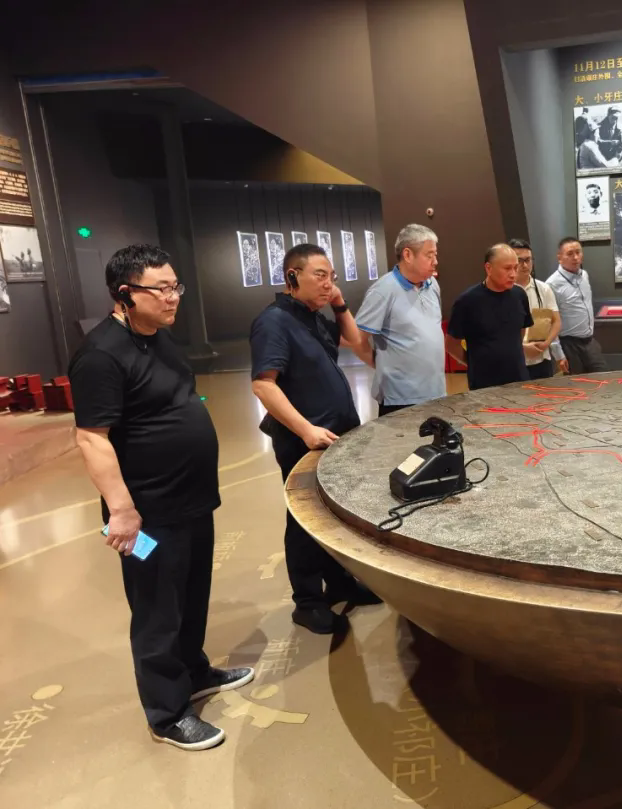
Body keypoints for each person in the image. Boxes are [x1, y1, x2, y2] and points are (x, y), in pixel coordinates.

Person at [69, 244, 253, 751]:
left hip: (190, 500)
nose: (173, 297)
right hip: (147, 515)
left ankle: (194, 671)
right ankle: (167, 713)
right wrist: (121, 511)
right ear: (125, 294)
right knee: (156, 610)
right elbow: (92, 439)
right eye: (162, 289)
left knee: (191, 594)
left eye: (176, 286)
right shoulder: (100, 355)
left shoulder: (159, 337)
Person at [250, 243, 378, 635]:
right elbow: (263, 385)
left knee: (333, 515)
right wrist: (306, 429)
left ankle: (339, 583)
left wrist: (338, 304)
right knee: (305, 520)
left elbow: (354, 340)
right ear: (292, 277)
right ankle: (307, 601)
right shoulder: (274, 321)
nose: (328, 283)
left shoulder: (314, 317)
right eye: (320, 275)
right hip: (304, 441)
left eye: (332, 277)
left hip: (335, 436)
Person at [352, 224, 446, 416]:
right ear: (408, 255)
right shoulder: (383, 290)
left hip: (437, 392)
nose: (435, 261)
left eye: (435, 255)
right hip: (400, 399)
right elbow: (357, 339)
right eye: (429, 255)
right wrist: (380, 365)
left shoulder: (433, 285)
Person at [445, 244, 533, 390]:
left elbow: (520, 331)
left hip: (519, 379)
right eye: (507, 268)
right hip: (484, 384)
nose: (513, 274)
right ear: (489, 268)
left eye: (515, 268)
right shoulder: (467, 301)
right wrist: (474, 363)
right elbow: (451, 344)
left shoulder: (519, 295)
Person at [547, 237, 608, 373]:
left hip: (589, 341)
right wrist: (558, 354)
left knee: (603, 378)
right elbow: (550, 322)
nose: (575, 257)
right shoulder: (552, 285)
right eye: (569, 254)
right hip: (569, 345)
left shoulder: (584, 275)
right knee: (578, 383)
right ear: (559, 257)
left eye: (578, 252)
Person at [510, 237, 569, 379]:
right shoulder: (503, 291)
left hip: (541, 359)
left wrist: (546, 343)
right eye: (519, 260)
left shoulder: (544, 288)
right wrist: (523, 348)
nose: (525, 265)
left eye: (528, 260)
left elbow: (556, 321)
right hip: (514, 361)